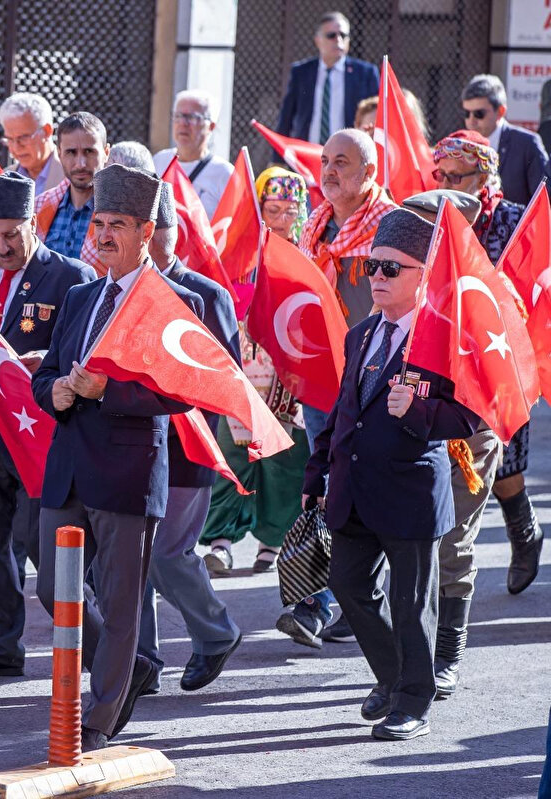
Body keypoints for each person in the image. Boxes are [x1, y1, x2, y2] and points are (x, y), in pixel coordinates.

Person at [32, 163, 192, 752]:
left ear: (145, 232)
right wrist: (56, 391)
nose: (102, 235)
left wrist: (109, 393)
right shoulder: (78, 294)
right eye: (97, 222)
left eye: (117, 224)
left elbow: (179, 391)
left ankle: (98, 718)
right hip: (70, 465)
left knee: (122, 602)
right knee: (54, 587)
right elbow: (45, 373)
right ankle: (130, 672)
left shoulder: (167, 301)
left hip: (127, 472)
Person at [304, 208, 478, 740]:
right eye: (372, 267)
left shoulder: (441, 336)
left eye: (390, 268)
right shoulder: (361, 335)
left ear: (423, 275)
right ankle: (395, 676)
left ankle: (412, 704)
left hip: (409, 494)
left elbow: (470, 417)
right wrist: (316, 472)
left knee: (410, 604)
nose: (376, 277)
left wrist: (419, 412)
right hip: (355, 490)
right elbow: (343, 409)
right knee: (348, 585)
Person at [0, 172, 93, 680]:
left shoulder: (71, 277)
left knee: (46, 551)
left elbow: (89, 348)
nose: (3, 246)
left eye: (13, 235)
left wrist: (47, 358)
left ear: (35, 223)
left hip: (41, 436)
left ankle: (103, 650)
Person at [279, 127, 396, 647]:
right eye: (325, 160)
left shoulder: (394, 228)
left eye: (342, 162)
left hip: (371, 381)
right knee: (330, 486)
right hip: (322, 377)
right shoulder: (317, 228)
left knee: (361, 492)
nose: (328, 171)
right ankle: (342, 602)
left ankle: (326, 603)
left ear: (369, 172)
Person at [137, 182, 242, 694]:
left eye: (158, 229)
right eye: (142, 228)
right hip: (129, 445)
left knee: (166, 554)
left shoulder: (205, 295)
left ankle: (214, 631)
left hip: (185, 446)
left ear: (176, 233)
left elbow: (225, 378)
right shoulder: (120, 288)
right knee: (127, 557)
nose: (150, 239)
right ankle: (140, 661)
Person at [430, 130, 543, 597]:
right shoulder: (432, 217)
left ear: (484, 174)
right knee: (459, 460)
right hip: (447, 357)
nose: (449, 183)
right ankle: (448, 565)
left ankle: (524, 534)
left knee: (507, 463)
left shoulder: (515, 220)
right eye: (442, 174)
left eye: (459, 175)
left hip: (503, 355)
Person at [400, 187, 501, 700]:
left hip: (465, 438)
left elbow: (494, 377)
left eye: (429, 228)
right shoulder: (399, 281)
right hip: (408, 431)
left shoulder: (478, 292)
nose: (418, 237)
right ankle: (409, 652)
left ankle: (447, 653)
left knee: (451, 541)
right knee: (406, 545)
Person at [201, 168, 311, 576]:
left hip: (289, 373)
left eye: (289, 209)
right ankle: (221, 541)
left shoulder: (309, 255)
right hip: (244, 368)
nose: (281, 217)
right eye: (272, 208)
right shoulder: (239, 252)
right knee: (232, 457)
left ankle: (272, 543)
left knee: (283, 461)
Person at [276, 11, 380, 144]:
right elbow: (286, 118)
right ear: (317, 40)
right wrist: (278, 158)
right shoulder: (301, 72)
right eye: (331, 35)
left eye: (343, 35)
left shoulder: (365, 73)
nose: (338, 40)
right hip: (308, 152)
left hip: (348, 154)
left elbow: (376, 116)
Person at [33, 112, 109, 275]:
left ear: (106, 153)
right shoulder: (39, 207)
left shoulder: (119, 212)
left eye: (89, 152)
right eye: (71, 152)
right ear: (59, 154)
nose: (80, 163)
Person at [461, 74, 550, 207]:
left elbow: (543, 202)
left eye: (479, 114)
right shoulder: (459, 143)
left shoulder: (527, 144)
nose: (471, 121)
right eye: (467, 113)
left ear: (500, 111)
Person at [152, 90, 234, 219]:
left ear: (211, 126)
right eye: (178, 116)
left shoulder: (224, 173)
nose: (183, 123)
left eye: (193, 117)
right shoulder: (159, 161)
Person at [0, 92, 65, 195]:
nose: (16, 148)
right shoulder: (3, 179)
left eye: (23, 137)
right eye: (10, 139)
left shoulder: (72, 175)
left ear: (47, 131)